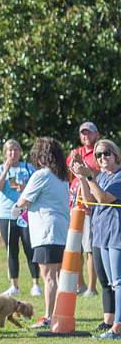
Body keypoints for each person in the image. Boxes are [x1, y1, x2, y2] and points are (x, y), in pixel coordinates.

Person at [16, 137, 71, 329]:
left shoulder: (41, 175)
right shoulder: (63, 177)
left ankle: (49, 316)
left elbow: (23, 201)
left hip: (46, 231)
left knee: (48, 276)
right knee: (56, 276)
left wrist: (16, 209)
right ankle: (58, 313)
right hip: (61, 230)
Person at [71, 138, 121, 339]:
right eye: (98, 155)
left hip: (117, 234)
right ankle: (112, 322)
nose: (102, 158)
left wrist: (89, 176)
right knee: (110, 282)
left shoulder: (118, 177)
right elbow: (90, 202)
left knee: (118, 282)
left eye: (106, 153)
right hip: (102, 234)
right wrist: (81, 176)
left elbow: (103, 198)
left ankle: (117, 327)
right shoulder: (100, 177)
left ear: (116, 155)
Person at [0, 140, 41, 297]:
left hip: (26, 213)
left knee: (30, 248)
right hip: (7, 214)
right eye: (9, 151)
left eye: (15, 150)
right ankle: (14, 285)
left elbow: (38, 188)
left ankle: (35, 284)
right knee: (11, 250)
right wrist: (5, 170)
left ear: (20, 152)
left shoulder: (28, 168)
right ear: (5, 153)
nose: (13, 154)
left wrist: (24, 189)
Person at [68, 121, 101, 296]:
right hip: (74, 205)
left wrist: (83, 165)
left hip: (89, 207)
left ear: (97, 134)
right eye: (83, 133)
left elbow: (95, 174)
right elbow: (67, 175)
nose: (85, 136)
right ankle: (80, 285)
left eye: (89, 133)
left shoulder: (100, 153)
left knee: (89, 248)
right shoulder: (75, 152)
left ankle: (91, 287)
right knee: (75, 248)